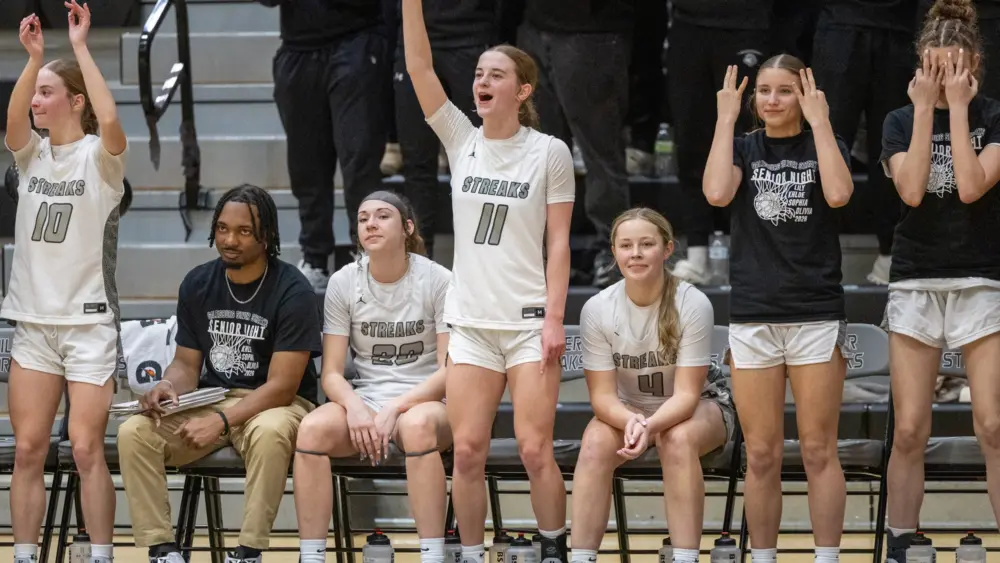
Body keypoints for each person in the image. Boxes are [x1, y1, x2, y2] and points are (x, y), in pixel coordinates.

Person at [401, 0, 576, 560]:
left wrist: (553, 318)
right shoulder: (461, 139)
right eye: (478, 74)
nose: (482, 82)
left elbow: (558, 242)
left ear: (523, 91)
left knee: (533, 449)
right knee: (470, 450)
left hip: (528, 326)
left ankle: (553, 547)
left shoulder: (550, 153)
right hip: (471, 324)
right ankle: (471, 552)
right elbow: (421, 69)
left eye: (496, 75)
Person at [116, 185, 323, 563]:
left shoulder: (293, 290)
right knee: (136, 432)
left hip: (279, 404)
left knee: (270, 431)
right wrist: (165, 386)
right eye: (223, 228)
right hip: (215, 398)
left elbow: (282, 386)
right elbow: (186, 366)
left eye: (244, 231)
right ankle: (162, 549)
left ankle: (248, 552)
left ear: (267, 236)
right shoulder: (198, 283)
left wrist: (220, 422)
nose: (230, 239)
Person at [703, 55, 855, 563]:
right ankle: (763, 557)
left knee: (817, 451)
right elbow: (717, 192)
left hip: (813, 310)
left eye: (784, 90)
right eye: (763, 91)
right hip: (753, 314)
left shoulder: (821, 142)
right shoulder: (744, 146)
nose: (771, 100)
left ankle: (827, 557)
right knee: (762, 455)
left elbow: (838, 193)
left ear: (805, 95)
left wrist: (822, 121)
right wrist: (725, 119)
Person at [4, 4, 128, 562]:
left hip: (88, 326)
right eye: (37, 92)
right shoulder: (29, 159)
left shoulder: (99, 162)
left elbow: (112, 120)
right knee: (28, 450)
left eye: (49, 92)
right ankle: (26, 555)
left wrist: (79, 47)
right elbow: (12, 125)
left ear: (74, 102)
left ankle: (99, 554)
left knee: (84, 449)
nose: (37, 100)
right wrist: (32, 60)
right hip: (33, 323)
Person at [878, 0, 1000, 559]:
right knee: (909, 430)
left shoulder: (994, 116)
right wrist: (927, 111)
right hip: (917, 279)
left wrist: (957, 109)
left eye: (957, 67)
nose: (947, 77)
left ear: (976, 63)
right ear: (919, 67)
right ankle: (903, 538)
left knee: (993, 426)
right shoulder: (899, 122)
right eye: (936, 68)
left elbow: (972, 185)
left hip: (981, 278)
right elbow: (912, 189)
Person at [294, 190, 452, 563]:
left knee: (416, 428)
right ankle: (312, 555)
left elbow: (450, 371)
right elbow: (330, 372)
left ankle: (433, 555)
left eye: (382, 216)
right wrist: (354, 407)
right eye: (363, 218)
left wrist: (396, 408)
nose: (370, 224)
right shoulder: (343, 282)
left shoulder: (438, 279)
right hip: (367, 398)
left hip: (428, 401)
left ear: (407, 228)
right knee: (311, 430)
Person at [570, 208, 734, 563]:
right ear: (613, 252)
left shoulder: (692, 303)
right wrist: (632, 421)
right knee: (596, 441)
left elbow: (688, 395)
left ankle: (686, 557)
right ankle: (582, 557)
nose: (636, 253)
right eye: (626, 245)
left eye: (647, 244)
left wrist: (649, 425)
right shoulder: (597, 309)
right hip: (629, 409)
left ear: (668, 249)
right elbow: (601, 397)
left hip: (702, 405)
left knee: (677, 439)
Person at [256, 0, 389, 291]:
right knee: (306, 167)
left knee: (359, 162)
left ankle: (368, 254)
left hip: (355, 39)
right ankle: (315, 258)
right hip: (297, 48)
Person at [516, 0, 632, 288]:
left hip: (592, 32)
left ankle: (613, 251)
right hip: (533, 25)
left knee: (600, 152)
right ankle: (542, 253)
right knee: (537, 152)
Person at [810, 0, 920, 285]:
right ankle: (812, 253)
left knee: (893, 143)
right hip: (840, 24)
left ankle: (890, 252)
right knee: (827, 143)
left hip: (900, 28)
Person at [666, 0, 772, 285]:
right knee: (690, 142)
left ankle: (751, 250)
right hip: (688, 25)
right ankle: (698, 251)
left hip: (748, 25)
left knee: (748, 142)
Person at [394, 0, 497, 260]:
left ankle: (479, 254)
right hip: (412, 38)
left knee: (476, 159)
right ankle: (419, 257)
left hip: (470, 37)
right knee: (417, 159)